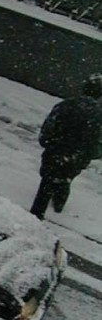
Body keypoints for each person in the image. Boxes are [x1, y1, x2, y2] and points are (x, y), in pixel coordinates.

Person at [30, 74, 102, 218]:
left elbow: (48, 129)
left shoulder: (65, 105)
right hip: (79, 156)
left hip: (55, 151)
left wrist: (48, 143)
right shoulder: (99, 115)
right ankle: (59, 201)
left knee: (47, 181)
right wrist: (90, 154)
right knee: (65, 177)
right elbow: (98, 143)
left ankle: (37, 214)